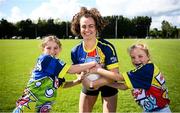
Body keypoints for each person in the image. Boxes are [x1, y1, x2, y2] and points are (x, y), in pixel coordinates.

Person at [12, 35, 97, 113]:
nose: (52, 51)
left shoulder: (55, 68)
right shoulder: (46, 59)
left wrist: (78, 81)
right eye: (48, 48)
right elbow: (71, 70)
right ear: (43, 49)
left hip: (41, 108)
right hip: (28, 107)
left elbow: (62, 85)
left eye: (55, 48)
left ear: (60, 49)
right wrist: (94, 63)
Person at [87, 43, 171, 112]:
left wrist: (98, 70)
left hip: (160, 110)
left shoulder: (147, 69)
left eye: (140, 56)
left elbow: (119, 77)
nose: (136, 60)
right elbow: (124, 86)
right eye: (133, 57)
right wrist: (103, 83)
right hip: (151, 110)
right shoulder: (144, 70)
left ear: (148, 56)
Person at [71, 7, 119, 113]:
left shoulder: (107, 47)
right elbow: (77, 71)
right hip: (88, 83)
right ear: (79, 28)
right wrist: (83, 80)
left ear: (96, 28)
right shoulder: (75, 51)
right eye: (83, 26)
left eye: (91, 26)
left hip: (108, 83)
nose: (87, 30)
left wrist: (95, 83)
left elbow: (115, 75)